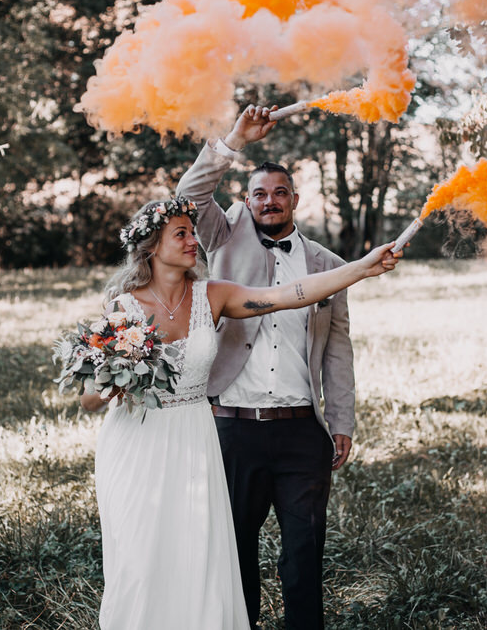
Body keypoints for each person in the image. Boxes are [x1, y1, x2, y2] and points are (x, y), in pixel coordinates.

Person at [80, 196, 400, 630]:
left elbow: (290, 294)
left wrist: (362, 267)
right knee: (143, 554)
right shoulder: (123, 309)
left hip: (195, 437)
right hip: (138, 444)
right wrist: (118, 371)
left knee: (199, 553)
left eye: (194, 232)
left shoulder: (214, 296)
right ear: (153, 245)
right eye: (182, 234)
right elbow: (89, 399)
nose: (194, 240)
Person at [176, 104, 358, 629]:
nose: (270, 201)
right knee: (235, 554)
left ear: (295, 200)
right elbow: (186, 199)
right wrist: (234, 140)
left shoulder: (326, 265)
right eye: (259, 193)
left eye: (280, 192)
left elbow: (339, 346)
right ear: (246, 200)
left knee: (305, 553)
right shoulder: (223, 235)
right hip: (233, 426)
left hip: (303, 429)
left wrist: (340, 420)